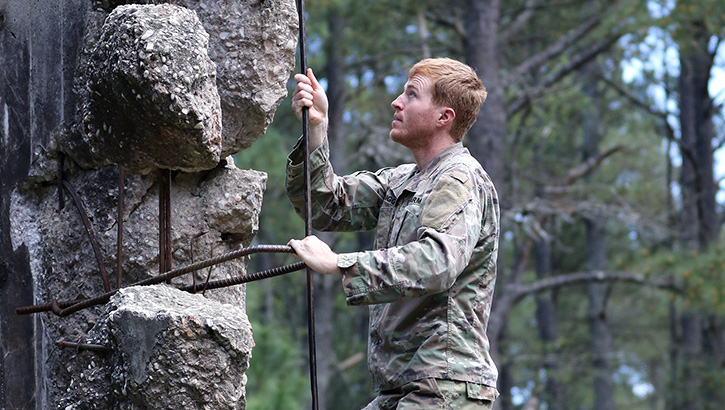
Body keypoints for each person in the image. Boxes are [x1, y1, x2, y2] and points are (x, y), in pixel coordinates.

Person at [286, 57, 500, 409]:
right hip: (405, 385)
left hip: (443, 386)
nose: (396, 102)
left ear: (443, 117)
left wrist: (340, 263)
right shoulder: (405, 179)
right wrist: (317, 128)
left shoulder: (459, 179)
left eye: (412, 95)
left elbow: (437, 262)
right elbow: (327, 205)